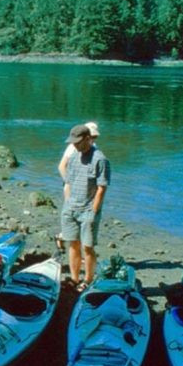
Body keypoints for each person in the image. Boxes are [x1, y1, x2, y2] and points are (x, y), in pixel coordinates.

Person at [61, 123, 110, 291]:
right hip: (71, 208)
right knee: (72, 244)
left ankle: (88, 279)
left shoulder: (100, 159)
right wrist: (67, 205)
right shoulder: (74, 157)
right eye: (73, 142)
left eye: (78, 142)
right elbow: (68, 182)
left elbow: (102, 188)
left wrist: (93, 211)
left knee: (87, 247)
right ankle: (75, 278)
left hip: (88, 210)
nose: (74, 145)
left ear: (88, 139)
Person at [56, 121, 99, 251]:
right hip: (72, 189)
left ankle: (64, 240)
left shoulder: (94, 148)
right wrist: (69, 183)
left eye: (95, 137)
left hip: (84, 191)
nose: (94, 139)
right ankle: (62, 238)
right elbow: (61, 166)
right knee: (73, 218)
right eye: (92, 136)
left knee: (79, 221)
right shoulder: (73, 147)